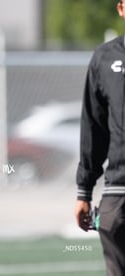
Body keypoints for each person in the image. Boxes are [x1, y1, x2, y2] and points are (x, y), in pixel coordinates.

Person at [74, 1, 125, 275]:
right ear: (121, 8)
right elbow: (93, 128)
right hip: (118, 194)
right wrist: (84, 190)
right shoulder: (105, 59)